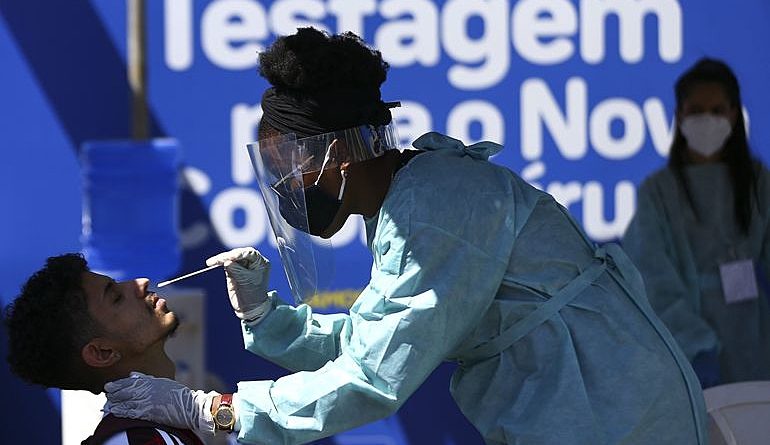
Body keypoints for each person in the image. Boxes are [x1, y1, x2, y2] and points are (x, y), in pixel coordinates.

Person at [104, 28, 707, 444]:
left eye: (290, 168)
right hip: (580, 410)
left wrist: (217, 411)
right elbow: (371, 340)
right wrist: (267, 316)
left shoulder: (438, 208)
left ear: (337, 154)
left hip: (613, 417)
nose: (287, 188)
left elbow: (374, 377)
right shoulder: (407, 204)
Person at [622, 58, 770, 388]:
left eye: (717, 110)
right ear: (679, 116)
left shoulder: (759, 184)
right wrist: (695, 345)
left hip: (759, 345)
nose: (707, 120)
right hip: (686, 356)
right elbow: (652, 278)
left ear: (734, 114)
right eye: (697, 110)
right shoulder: (658, 192)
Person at [3, 253, 212, 444]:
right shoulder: (133, 440)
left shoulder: (149, 432)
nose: (141, 282)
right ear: (102, 352)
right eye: (117, 298)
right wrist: (214, 410)